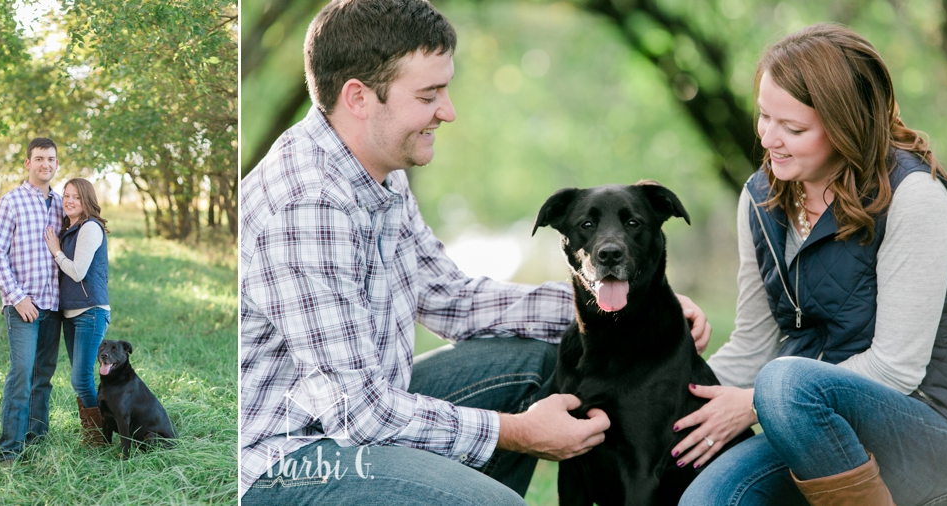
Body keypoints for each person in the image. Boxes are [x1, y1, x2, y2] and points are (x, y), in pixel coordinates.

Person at [238, 1, 711, 503]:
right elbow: (360, 413)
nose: (448, 110)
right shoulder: (307, 204)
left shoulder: (378, 174)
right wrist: (516, 431)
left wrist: (629, 306)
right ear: (358, 98)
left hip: (355, 416)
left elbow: (455, 300)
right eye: (428, 95)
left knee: (539, 364)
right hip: (291, 457)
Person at [669, 24, 947, 505]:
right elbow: (753, 346)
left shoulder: (914, 197)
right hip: (806, 419)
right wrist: (665, 388)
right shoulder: (758, 198)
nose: (769, 139)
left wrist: (755, 401)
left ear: (846, 125)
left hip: (930, 429)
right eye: (763, 117)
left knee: (783, 380)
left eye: (793, 128)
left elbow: (896, 368)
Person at [0, 137, 65, 464]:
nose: (45, 164)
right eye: (39, 159)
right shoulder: (12, 201)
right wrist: (17, 298)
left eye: (50, 159)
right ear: (27, 163)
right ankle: (9, 450)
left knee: (43, 376)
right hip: (23, 306)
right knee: (21, 374)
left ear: (56, 164)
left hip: (53, 305)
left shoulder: (63, 204)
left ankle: (36, 436)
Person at [43, 178, 111, 447]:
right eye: (66, 196)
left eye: (76, 197)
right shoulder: (71, 227)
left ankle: (98, 438)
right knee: (81, 379)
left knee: (81, 378)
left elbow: (77, 271)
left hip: (90, 312)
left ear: (87, 201)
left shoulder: (91, 228)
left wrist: (56, 251)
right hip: (72, 314)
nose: (69, 201)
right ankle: (95, 434)